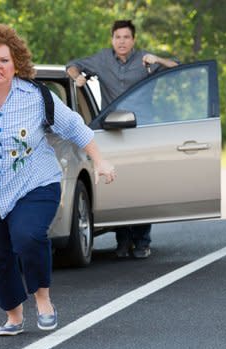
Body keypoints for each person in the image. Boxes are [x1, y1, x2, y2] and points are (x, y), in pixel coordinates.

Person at [0, 23, 116, 336]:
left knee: (28, 237)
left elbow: (74, 126)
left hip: (34, 181)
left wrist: (101, 160)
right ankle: (14, 315)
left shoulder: (37, 96)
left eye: (4, 60)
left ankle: (43, 299)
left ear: (16, 65)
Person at [66, 19, 178, 259]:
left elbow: (176, 66)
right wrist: (77, 78)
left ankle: (142, 241)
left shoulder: (144, 59)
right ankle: (123, 240)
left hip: (141, 131)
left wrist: (156, 60)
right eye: (118, 37)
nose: (122, 42)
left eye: (126, 37)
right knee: (117, 184)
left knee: (142, 186)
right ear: (112, 39)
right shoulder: (103, 59)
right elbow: (72, 66)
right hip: (113, 133)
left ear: (133, 40)